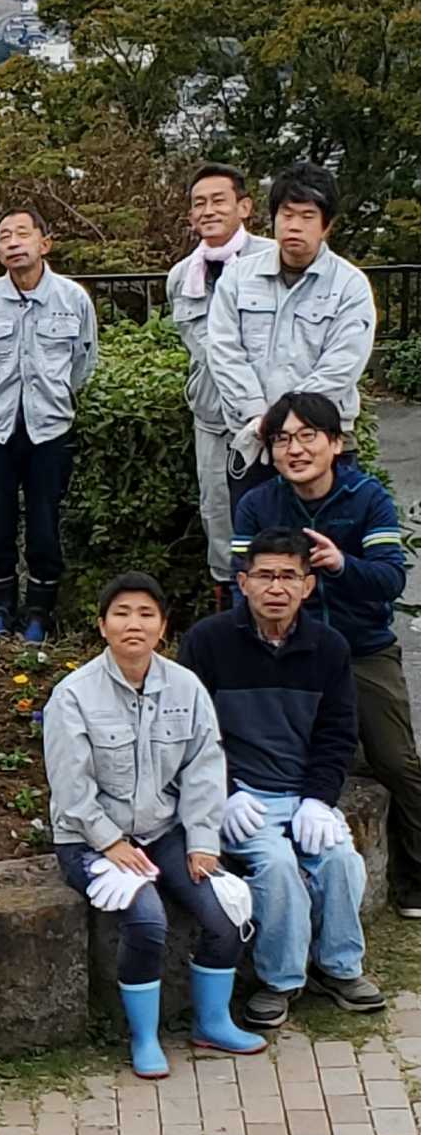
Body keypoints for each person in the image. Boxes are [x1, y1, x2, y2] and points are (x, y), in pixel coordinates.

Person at [44, 573, 265, 1079]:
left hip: (164, 831)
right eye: (121, 613)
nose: (133, 624)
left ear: (163, 627)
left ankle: (212, 1023)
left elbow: (205, 769)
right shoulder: (73, 695)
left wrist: (204, 840)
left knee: (226, 911)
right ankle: (144, 1038)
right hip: (89, 839)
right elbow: (71, 789)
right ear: (102, 626)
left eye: (146, 614)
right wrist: (110, 842)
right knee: (148, 920)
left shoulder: (186, 687)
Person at [179, 528, 383, 1028]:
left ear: (307, 586)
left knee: (341, 862)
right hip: (242, 799)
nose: (277, 587)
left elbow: (338, 735)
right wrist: (223, 795)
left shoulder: (329, 648)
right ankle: (280, 981)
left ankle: (339, 968)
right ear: (243, 583)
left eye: (289, 576)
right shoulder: (209, 642)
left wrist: (319, 799)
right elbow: (186, 733)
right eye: (265, 575)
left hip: (302, 796)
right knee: (276, 870)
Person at [232, 391, 421, 915]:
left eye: (307, 436)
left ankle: (415, 878)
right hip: (285, 652)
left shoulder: (367, 498)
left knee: (395, 760)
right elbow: (238, 583)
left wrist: (340, 565)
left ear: (335, 443)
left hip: (362, 650)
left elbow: (389, 579)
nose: (294, 449)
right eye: (281, 439)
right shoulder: (258, 504)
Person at [0, 208, 98, 640]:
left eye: (23, 234)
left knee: (44, 522)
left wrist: (54, 397)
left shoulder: (73, 298)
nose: (14, 242)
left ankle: (41, 613)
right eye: (4, 237)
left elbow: (83, 362)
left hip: (49, 428)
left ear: (44, 243)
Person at [205, 161, 375, 516]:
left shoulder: (350, 286)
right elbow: (223, 352)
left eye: (307, 216)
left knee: (328, 550)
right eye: (286, 214)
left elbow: (341, 367)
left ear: (327, 225)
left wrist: (290, 425)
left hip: (324, 444)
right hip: (254, 440)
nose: (294, 225)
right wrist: (260, 419)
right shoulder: (238, 277)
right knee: (260, 556)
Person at [166, 165, 270, 609]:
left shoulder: (272, 259)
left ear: (244, 207)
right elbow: (204, 351)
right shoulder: (181, 276)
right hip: (211, 417)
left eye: (218, 200)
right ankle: (232, 614)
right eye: (198, 203)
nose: (207, 211)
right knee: (218, 514)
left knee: (275, 515)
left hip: (269, 416)